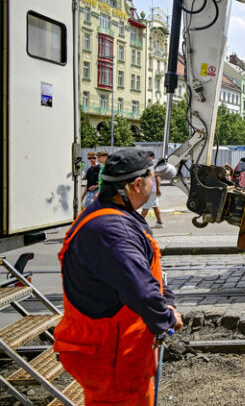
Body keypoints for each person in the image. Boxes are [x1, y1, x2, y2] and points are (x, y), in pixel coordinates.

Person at [53, 148, 183, 405]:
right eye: (151, 178)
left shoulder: (112, 215)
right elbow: (141, 291)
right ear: (137, 185)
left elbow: (145, 274)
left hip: (115, 346)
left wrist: (166, 300)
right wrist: (167, 317)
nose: (154, 184)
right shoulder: (113, 231)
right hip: (111, 353)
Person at [140, 151, 163, 228]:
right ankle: (159, 222)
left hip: (151, 189)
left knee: (145, 207)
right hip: (152, 189)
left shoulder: (152, 164)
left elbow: (157, 177)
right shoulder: (152, 164)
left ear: (152, 157)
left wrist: (158, 189)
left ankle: (139, 224)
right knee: (155, 205)